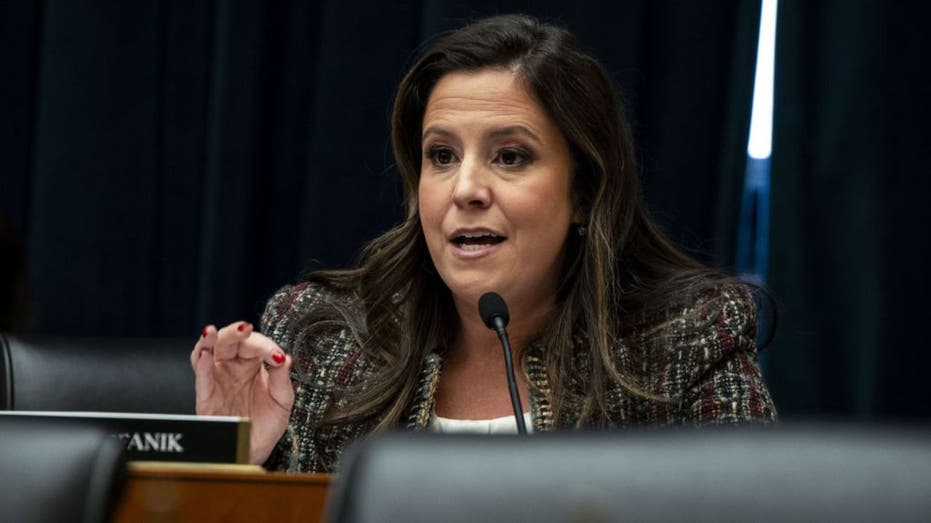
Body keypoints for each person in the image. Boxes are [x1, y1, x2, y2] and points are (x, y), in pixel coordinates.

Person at [191, 14, 776, 473]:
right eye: (441, 156)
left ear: (584, 192)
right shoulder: (323, 340)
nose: (465, 189)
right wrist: (234, 467)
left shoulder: (683, 343)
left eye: (511, 156)